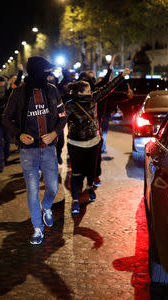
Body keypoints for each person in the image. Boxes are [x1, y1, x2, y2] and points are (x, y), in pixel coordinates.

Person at [3, 56, 67, 245]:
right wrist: (19, 134)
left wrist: (55, 133)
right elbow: (6, 118)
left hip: (48, 149)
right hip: (28, 152)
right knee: (32, 190)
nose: (48, 75)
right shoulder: (19, 93)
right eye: (45, 72)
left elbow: (63, 117)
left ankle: (46, 206)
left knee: (53, 187)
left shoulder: (52, 91)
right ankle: (37, 228)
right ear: (37, 72)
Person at [65, 68, 131, 214]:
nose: (91, 91)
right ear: (80, 92)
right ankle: (75, 200)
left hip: (93, 142)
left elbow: (108, 87)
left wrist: (121, 76)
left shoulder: (93, 98)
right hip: (75, 144)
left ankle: (89, 188)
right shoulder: (69, 105)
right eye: (88, 90)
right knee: (76, 173)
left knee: (91, 170)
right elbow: (58, 122)